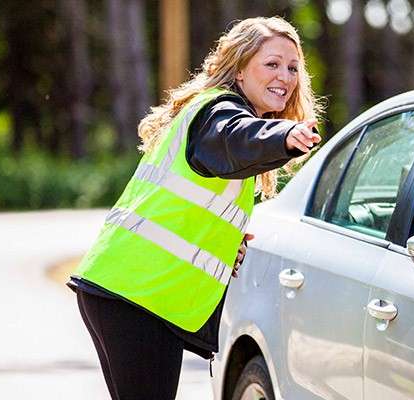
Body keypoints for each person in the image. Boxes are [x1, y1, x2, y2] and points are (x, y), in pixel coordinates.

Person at [66, 17, 322, 400]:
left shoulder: (213, 115)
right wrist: (284, 135)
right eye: (271, 64)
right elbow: (236, 139)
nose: (284, 76)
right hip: (136, 297)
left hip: (129, 291)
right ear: (238, 69)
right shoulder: (217, 114)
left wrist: (223, 242)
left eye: (292, 67)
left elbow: (193, 205)